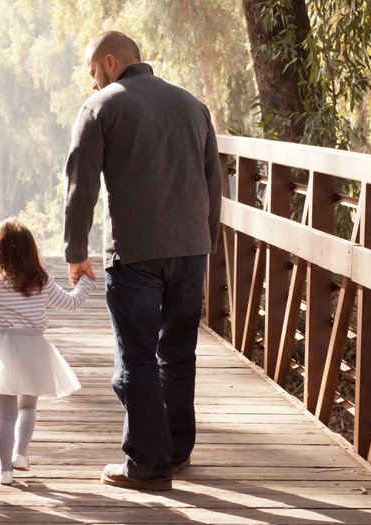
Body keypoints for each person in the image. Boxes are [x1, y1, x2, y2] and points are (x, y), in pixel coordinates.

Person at [63, 31, 222, 491]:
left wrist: (76, 253)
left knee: (135, 356)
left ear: (110, 63)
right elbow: (214, 184)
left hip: (136, 254)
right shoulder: (194, 106)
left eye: (93, 73)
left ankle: (148, 465)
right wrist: (205, 243)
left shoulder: (102, 106)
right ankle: (174, 449)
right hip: (191, 251)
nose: (93, 83)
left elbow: (81, 186)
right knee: (176, 353)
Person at [0, 218, 95, 485]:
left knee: (5, 414)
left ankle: (5, 471)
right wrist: (86, 282)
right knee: (28, 407)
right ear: (30, 251)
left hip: (4, 352)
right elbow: (71, 303)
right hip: (35, 350)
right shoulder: (42, 281)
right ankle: (21, 454)